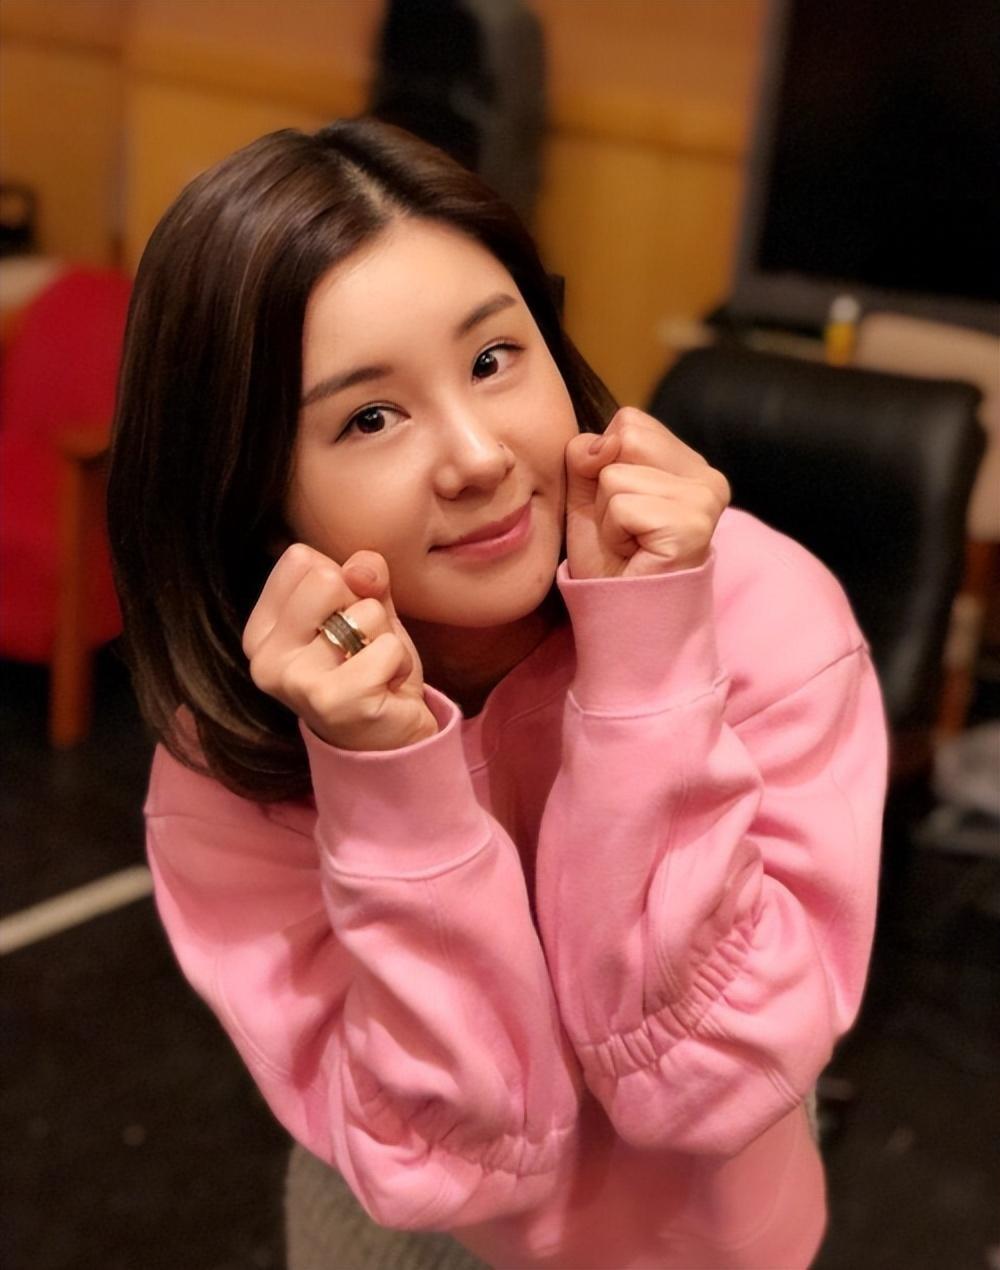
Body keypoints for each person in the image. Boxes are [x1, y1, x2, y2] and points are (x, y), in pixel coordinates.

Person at [107, 118, 888, 1270]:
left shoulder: (762, 610)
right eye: (369, 417)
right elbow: (461, 1165)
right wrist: (383, 780)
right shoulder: (231, 757)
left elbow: (711, 1077)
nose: (477, 455)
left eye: (492, 359)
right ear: (252, 493)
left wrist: (648, 666)